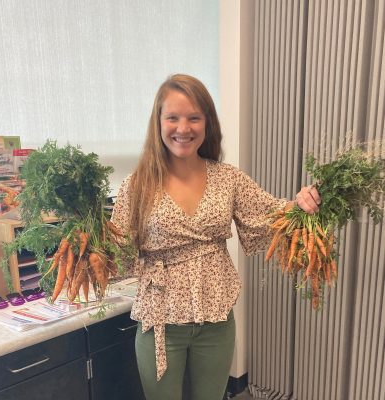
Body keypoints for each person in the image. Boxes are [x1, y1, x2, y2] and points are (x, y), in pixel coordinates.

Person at [111, 74, 321, 400]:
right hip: (160, 323)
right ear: (158, 123)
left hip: (216, 321)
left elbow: (270, 214)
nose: (184, 128)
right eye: (173, 118)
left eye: (194, 117)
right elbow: (117, 255)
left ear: (207, 122)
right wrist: (90, 245)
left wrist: (302, 203)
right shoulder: (137, 185)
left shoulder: (227, 179)